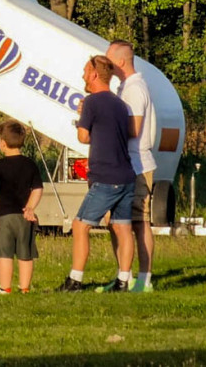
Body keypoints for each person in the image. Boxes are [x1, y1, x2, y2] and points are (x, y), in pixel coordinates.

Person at [57, 55, 136, 293]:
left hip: (105, 177)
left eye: (84, 70)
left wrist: (84, 120)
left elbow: (83, 137)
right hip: (127, 174)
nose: (82, 75)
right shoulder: (121, 104)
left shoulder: (91, 102)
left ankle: (75, 280)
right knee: (123, 227)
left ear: (93, 74)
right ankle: (123, 280)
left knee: (81, 226)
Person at [106, 40, 157, 293]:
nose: (106, 64)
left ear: (121, 61)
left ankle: (144, 278)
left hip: (138, 164)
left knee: (139, 222)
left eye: (110, 59)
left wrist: (105, 127)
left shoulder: (135, 88)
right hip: (124, 163)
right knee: (118, 223)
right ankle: (122, 276)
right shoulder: (124, 87)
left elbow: (134, 128)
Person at [0, 119, 44, 294]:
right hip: (25, 217)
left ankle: (5, 288)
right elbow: (38, 188)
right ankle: (25, 288)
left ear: (2, 143)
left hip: (3, 217)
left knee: (5, 253)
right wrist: (30, 208)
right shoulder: (30, 164)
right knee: (26, 253)